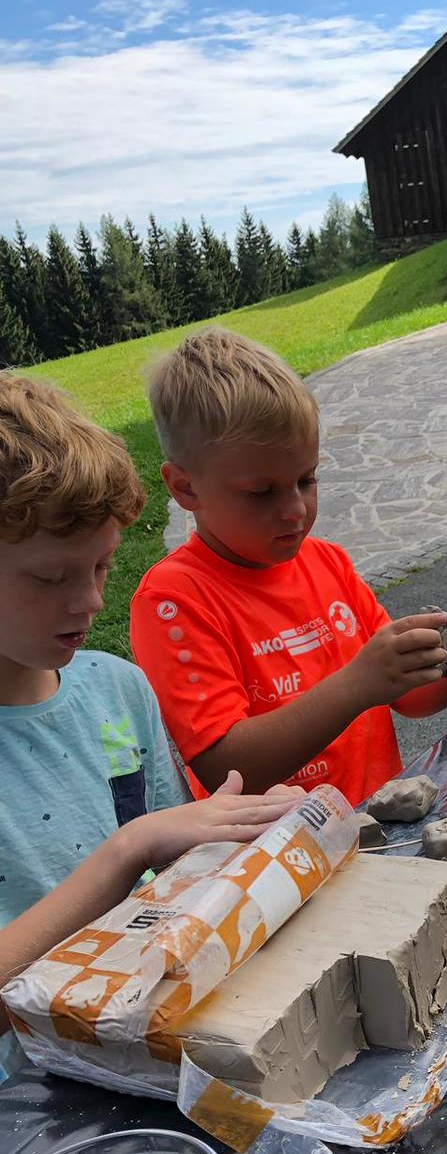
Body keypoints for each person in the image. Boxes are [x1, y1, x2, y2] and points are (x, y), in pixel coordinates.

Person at [0, 373, 301, 1001]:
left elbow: (171, 883)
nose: (90, 601)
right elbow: (139, 847)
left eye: (102, 565)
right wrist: (128, 850)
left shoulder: (117, 690)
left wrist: (242, 846)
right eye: (50, 577)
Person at [130, 328, 447, 805]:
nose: (295, 509)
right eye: (262, 492)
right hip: (275, 845)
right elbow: (226, 769)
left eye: (306, 479)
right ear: (185, 488)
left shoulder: (327, 563)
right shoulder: (173, 600)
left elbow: (407, 697)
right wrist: (358, 684)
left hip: (376, 824)